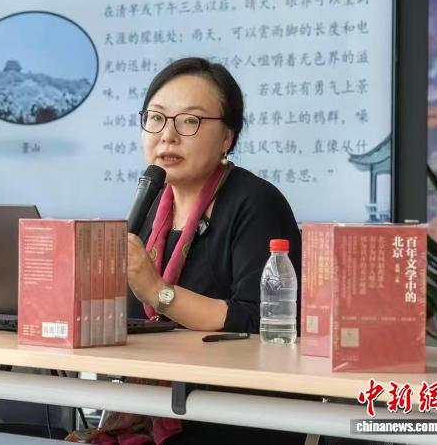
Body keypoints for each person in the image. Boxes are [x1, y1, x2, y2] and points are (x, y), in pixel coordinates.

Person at [123, 57, 304, 445]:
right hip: (157, 406)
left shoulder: (255, 203)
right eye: (156, 118)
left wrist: (159, 293)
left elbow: (260, 321)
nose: (167, 136)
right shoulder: (150, 207)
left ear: (227, 137)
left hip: (236, 416)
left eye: (189, 121)